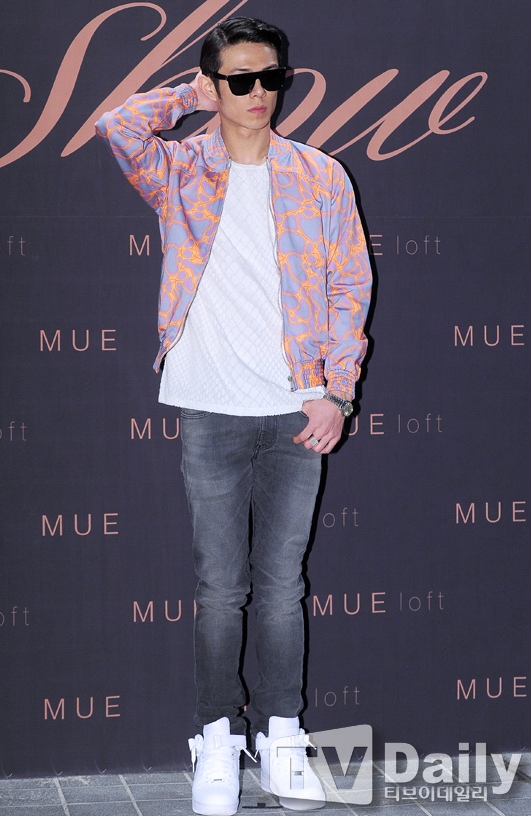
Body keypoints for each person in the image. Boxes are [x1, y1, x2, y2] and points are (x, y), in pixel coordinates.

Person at [96, 16, 371, 816]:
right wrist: (191, 94)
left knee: (282, 587)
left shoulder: (319, 175)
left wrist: (337, 389)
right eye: (240, 80)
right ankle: (216, 741)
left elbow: (350, 288)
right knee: (220, 588)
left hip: (295, 408)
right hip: (210, 407)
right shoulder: (179, 170)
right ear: (215, 85)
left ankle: (283, 740)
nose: (258, 93)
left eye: (270, 77)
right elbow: (118, 125)